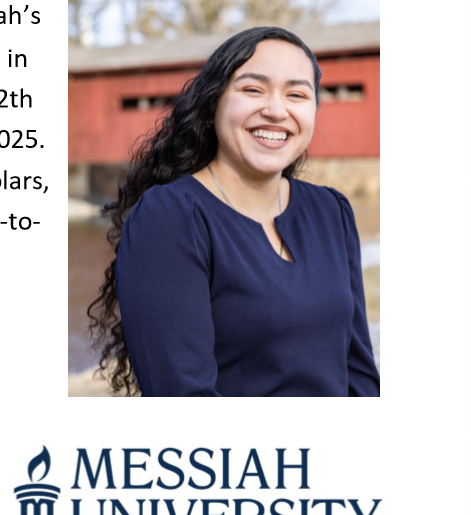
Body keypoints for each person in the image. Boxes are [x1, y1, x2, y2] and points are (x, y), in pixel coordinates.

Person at [88, 25, 379, 397]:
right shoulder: (171, 218)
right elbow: (183, 397)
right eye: (252, 89)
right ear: (211, 106)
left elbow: (359, 374)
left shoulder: (332, 211)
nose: (276, 110)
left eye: (297, 94)